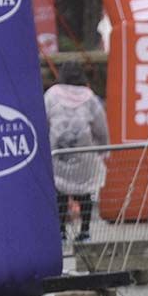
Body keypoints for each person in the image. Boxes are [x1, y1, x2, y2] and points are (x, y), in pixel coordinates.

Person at [45, 61, 108, 243]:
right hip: (84, 153)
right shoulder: (89, 97)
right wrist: (103, 147)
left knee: (60, 193)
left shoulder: (51, 95)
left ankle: (61, 232)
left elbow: (43, 119)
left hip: (58, 155)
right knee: (85, 191)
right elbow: (101, 127)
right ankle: (85, 232)